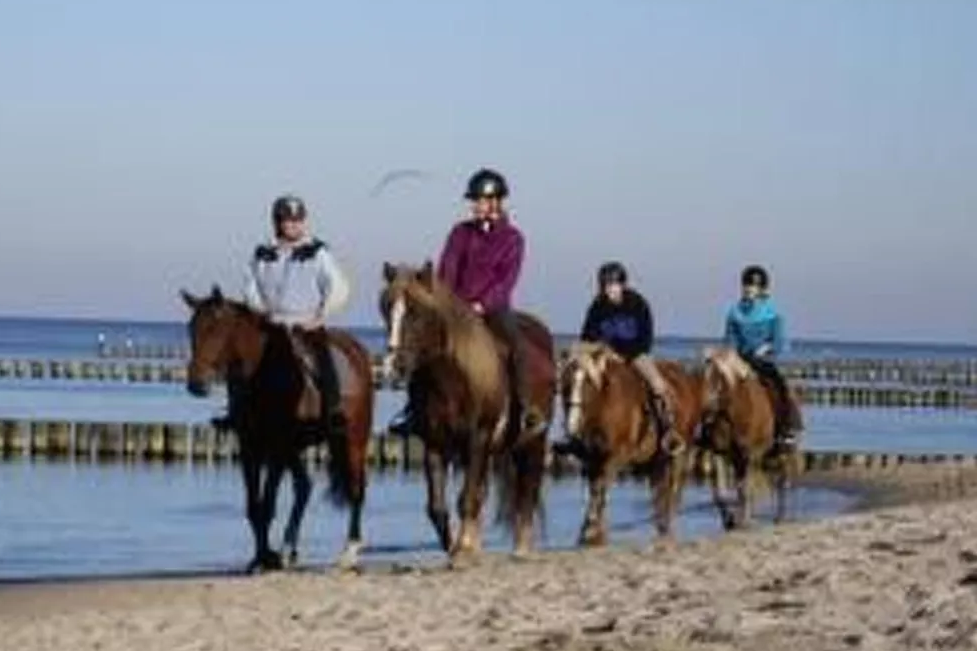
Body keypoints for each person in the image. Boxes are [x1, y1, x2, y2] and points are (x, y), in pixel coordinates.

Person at [388, 168, 546, 441]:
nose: (474, 206)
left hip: (493, 310)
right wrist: (448, 304)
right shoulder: (460, 233)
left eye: (480, 201)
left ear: (496, 201)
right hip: (455, 311)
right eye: (474, 201)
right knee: (423, 347)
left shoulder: (513, 239)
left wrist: (481, 305)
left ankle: (525, 410)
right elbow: (447, 269)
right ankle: (412, 410)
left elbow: (505, 280)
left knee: (517, 347)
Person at [216, 194, 351, 432]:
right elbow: (250, 286)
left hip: (306, 323)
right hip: (272, 323)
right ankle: (235, 410)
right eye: (286, 221)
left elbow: (337, 285)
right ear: (276, 222)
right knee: (242, 362)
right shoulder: (262, 253)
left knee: (323, 358)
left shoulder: (318, 253)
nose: (292, 225)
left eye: (297, 220)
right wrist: (262, 311)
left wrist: (320, 315)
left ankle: (334, 409)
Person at [578, 261, 683, 453]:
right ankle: (578, 430)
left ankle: (670, 431)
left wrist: (624, 355)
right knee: (581, 378)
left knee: (658, 385)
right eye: (604, 285)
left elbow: (646, 338)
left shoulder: (637, 303)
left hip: (636, 355)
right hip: (607, 355)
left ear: (622, 285)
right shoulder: (597, 305)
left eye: (612, 284)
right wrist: (598, 352)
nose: (608, 289)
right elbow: (587, 336)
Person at [724, 263, 800, 450]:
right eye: (746, 285)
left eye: (753, 286)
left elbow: (779, 341)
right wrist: (730, 354)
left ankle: (786, 428)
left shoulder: (773, 314)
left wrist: (765, 348)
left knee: (780, 386)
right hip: (740, 360)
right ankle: (708, 428)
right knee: (715, 383)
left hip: (762, 360)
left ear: (761, 289)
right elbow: (730, 339)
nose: (749, 289)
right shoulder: (734, 312)